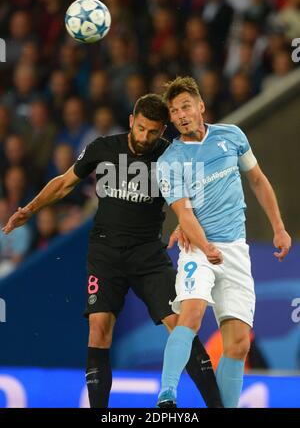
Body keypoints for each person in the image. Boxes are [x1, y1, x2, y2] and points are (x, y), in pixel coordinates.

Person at [2, 93, 223, 408]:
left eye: (154, 132)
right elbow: (65, 183)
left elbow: (196, 197)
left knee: (181, 327)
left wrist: (183, 223)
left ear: (163, 131)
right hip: (105, 253)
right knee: (99, 328)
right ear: (132, 122)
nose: (145, 137)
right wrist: (30, 209)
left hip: (148, 254)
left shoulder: (172, 157)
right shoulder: (102, 148)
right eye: (141, 128)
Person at [156, 76, 291, 408]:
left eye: (185, 107)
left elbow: (258, 180)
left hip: (235, 250)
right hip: (197, 249)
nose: (181, 115)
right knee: (192, 313)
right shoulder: (169, 161)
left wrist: (279, 228)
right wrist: (205, 247)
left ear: (200, 106)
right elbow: (183, 213)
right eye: (174, 111)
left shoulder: (232, 136)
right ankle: (166, 395)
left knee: (239, 344)